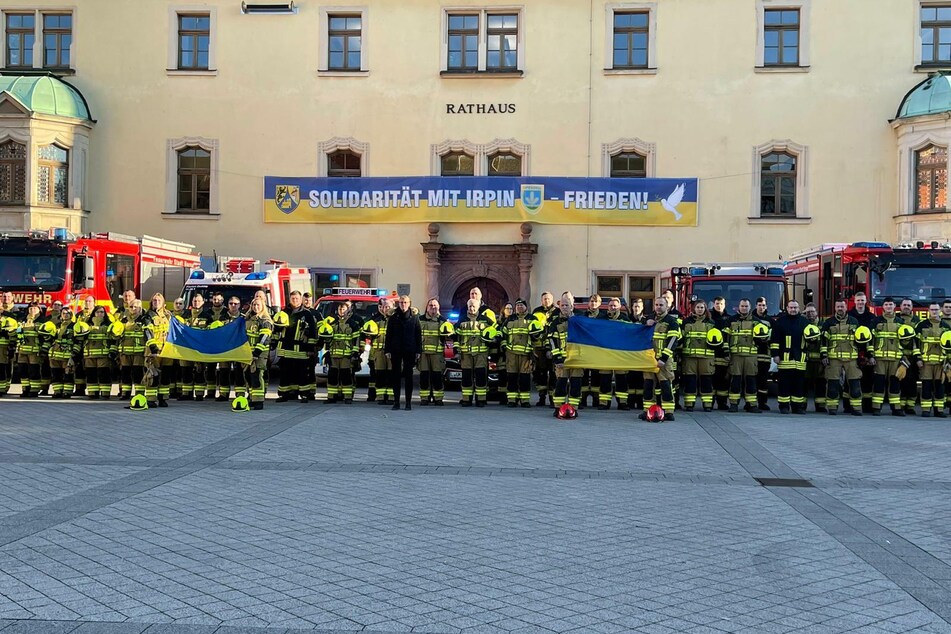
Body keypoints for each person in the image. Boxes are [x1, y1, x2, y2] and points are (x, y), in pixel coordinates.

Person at [639, 296, 680, 421]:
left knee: (666, 384)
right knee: (648, 385)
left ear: (667, 306)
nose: (658, 307)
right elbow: (638, 332)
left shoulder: (672, 321)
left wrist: (664, 358)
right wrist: (645, 324)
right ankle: (647, 410)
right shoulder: (649, 319)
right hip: (649, 359)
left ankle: (668, 412)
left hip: (664, 360)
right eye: (656, 304)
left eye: (661, 305)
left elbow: (673, 341)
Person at [820, 299, 862, 416]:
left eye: (842, 307)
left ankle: (856, 408)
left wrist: (861, 356)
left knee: (854, 384)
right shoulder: (828, 323)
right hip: (834, 359)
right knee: (833, 384)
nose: (840, 309)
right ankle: (832, 408)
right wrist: (824, 355)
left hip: (851, 359)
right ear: (835, 308)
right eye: (838, 307)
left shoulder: (854, 321)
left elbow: (859, 340)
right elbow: (823, 341)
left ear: (846, 307)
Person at [275, 290, 316, 402]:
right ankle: (285, 394)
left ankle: (304, 395)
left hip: (301, 349)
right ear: (289, 299)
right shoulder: (284, 312)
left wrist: (310, 349)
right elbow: (276, 329)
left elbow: (313, 332)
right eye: (293, 298)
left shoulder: (307, 314)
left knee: (302, 373)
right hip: (286, 349)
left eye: (297, 298)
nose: (295, 300)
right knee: (285, 373)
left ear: (301, 299)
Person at [770, 300, 810, 414]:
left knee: (799, 385)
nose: (793, 310)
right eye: (791, 307)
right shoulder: (780, 322)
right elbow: (775, 340)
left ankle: (797, 407)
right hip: (784, 359)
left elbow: (810, 340)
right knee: (784, 385)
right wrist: (775, 355)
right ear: (787, 308)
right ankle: (784, 406)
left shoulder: (805, 322)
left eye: (795, 307)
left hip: (800, 360)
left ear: (799, 308)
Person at [870, 297, 907, 417]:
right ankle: (876, 408)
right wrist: (871, 355)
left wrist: (903, 358)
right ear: (883, 306)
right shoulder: (876, 321)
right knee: (879, 383)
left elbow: (905, 341)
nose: (889, 307)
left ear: (894, 306)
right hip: (879, 359)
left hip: (895, 359)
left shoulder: (900, 322)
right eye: (886, 304)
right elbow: (870, 340)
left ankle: (896, 409)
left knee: (895, 383)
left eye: (891, 304)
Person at [385, 295, 422, 410]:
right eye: (401, 302)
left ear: (409, 303)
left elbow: (418, 335)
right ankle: (396, 402)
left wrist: (418, 350)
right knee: (395, 376)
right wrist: (387, 350)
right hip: (396, 350)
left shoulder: (415, 318)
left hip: (409, 349)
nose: (403, 304)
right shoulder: (393, 317)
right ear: (398, 304)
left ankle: (408, 402)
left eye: (405, 302)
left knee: (408, 376)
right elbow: (388, 335)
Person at [680, 299, 716, 412]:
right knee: (690, 381)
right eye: (698, 307)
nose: (700, 310)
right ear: (693, 309)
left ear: (705, 309)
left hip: (706, 358)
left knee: (706, 381)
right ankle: (689, 404)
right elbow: (681, 338)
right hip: (689, 357)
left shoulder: (711, 323)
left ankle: (707, 405)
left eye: (702, 307)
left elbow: (717, 340)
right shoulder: (686, 322)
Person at [549, 292, 582, 411]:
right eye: (562, 305)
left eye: (566, 305)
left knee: (576, 384)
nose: (564, 308)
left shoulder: (579, 321)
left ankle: (574, 408)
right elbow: (552, 341)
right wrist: (557, 358)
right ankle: (559, 408)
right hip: (562, 360)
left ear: (572, 307)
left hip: (577, 360)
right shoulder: (555, 323)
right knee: (560, 384)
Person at [455, 298, 491, 407]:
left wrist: (493, 342)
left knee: (481, 377)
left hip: (481, 354)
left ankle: (481, 400)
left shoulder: (485, 320)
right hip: (466, 354)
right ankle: (466, 399)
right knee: (466, 377)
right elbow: (456, 337)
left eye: (474, 306)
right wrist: (457, 351)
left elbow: (496, 331)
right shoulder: (462, 320)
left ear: (478, 307)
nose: (472, 308)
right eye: (470, 306)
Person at [322, 301, 360, 404]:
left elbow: (356, 339)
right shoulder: (332, 323)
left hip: (346, 356)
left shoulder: (353, 324)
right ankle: (331, 397)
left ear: (348, 310)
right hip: (333, 355)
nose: (341, 311)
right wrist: (327, 352)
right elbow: (327, 338)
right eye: (340, 309)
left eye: (343, 309)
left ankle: (348, 397)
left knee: (346, 376)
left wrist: (355, 353)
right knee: (332, 376)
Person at [725, 299, 759, 413]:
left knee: (751, 381)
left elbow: (763, 339)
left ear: (750, 307)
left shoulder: (757, 321)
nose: (744, 308)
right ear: (738, 307)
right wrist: (726, 353)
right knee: (735, 381)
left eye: (746, 306)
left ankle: (752, 405)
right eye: (742, 306)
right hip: (736, 356)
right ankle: (734, 404)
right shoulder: (731, 320)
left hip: (751, 356)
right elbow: (725, 338)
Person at [598, 297, 631, 410]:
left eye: (615, 306)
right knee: (605, 379)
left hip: (620, 354)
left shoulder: (625, 319)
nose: (612, 307)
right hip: (605, 354)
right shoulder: (602, 319)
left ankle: (622, 403)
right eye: (611, 305)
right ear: (608, 307)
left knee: (622, 379)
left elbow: (631, 334)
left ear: (619, 307)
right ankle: (604, 403)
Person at [915, 303, 947, 418]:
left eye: (936, 309)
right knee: (926, 386)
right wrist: (918, 358)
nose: (934, 311)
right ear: (928, 310)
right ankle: (926, 410)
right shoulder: (921, 325)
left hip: (941, 363)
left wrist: (948, 361)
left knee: (940, 387)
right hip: (925, 363)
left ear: (940, 310)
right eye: (932, 309)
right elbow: (916, 344)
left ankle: (939, 410)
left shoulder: (946, 326)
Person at [501, 298, 535, 408]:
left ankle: (525, 400)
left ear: (526, 307)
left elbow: (538, 335)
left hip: (526, 354)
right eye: (518, 305)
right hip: (511, 353)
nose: (519, 307)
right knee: (512, 376)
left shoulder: (532, 319)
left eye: (521, 305)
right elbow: (503, 333)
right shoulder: (510, 319)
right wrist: (504, 345)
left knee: (525, 378)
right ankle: (512, 400)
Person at [418, 298, 451, 406]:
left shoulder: (443, 321)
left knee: (437, 376)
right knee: (424, 376)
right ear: (427, 307)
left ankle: (438, 398)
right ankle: (424, 398)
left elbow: (450, 337)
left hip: (437, 354)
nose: (433, 308)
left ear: (439, 308)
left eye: (435, 306)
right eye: (431, 305)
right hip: (423, 354)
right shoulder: (419, 320)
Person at [143, 293, 174, 407]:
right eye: (154, 301)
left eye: (159, 301)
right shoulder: (148, 316)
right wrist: (153, 348)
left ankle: (163, 399)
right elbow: (148, 333)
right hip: (153, 351)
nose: (156, 303)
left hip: (166, 351)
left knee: (165, 375)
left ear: (163, 303)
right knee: (152, 375)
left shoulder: (168, 315)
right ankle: (151, 399)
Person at [848, 292, 876, 412]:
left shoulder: (871, 317)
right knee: (850, 380)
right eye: (858, 300)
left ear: (866, 302)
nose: (860, 303)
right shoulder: (849, 317)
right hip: (852, 352)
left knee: (867, 380)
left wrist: (870, 355)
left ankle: (867, 406)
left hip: (866, 352)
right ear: (855, 301)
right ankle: (848, 406)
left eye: (862, 300)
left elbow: (873, 338)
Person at [244, 297, 273, 410]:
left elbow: (264, 338)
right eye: (254, 305)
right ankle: (251, 397)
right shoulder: (248, 319)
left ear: (263, 307)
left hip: (259, 354)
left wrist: (257, 352)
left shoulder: (265, 320)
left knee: (257, 375)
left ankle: (258, 401)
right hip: (247, 353)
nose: (256, 307)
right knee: (248, 376)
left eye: (258, 305)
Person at [116, 299, 148, 400]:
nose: (133, 309)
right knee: (125, 372)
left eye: (136, 307)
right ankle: (126, 393)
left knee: (137, 373)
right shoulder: (124, 320)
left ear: (140, 308)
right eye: (131, 307)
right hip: (125, 352)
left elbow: (148, 335)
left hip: (139, 352)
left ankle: (139, 393)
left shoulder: (144, 319)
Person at [178, 294, 209, 401]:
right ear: (192, 302)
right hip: (186, 347)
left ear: (203, 302)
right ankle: (187, 393)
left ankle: (199, 394)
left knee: (199, 370)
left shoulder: (207, 316)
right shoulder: (185, 315)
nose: (196, 303)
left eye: (198, 301)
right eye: (194, 301)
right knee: (186, 370)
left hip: (199, 348)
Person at [80, 305, 113, 400]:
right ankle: (92, 393)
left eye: (102, 312)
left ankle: (105, 393)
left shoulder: (109, 324)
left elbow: (113, 339)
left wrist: (112, 351)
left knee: (104, 374)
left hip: (104, 354)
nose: (100, 314)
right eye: (98, 312)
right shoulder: (86, 325)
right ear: (94, 313)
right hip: (89, 354)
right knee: (91, 374)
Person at [531, 291, 557, 406]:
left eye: (548, 299)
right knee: (540, 373)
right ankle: (542, 397)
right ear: (541, 300)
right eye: (544, 299)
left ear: (552, 300)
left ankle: (552, 398)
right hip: (539, 347)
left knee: (553, 373)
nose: (546, 301)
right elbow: (531, 329)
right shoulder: (536, 312)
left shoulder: (557, 312)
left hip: (553, 347)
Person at [367, 297, 394, 404]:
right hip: (378, 352)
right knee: (380, 375)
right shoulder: (375, 320)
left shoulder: (396, 319)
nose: (385, 308)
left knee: (391, 375)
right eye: (383, 306)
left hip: (392, 353)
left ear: (392, 307)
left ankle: (391, 397)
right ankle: (381, 397)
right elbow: (368, 336)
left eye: (387, 306)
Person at [15, 302, 45, 398]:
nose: (32, 310)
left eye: (35, 308)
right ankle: (25, 389)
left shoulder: (42, 320)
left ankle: (34, 390)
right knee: (22, 370)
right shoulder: (23, 320)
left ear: (39, 310)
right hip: (22, 350)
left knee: (34, 371)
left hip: (35, 351)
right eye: (31, 308)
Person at [899, 298, 922, 414]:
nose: (906, 307)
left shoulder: (917, 321)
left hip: (912, 358)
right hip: (899, 357)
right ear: (901, 306)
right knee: (901, 381)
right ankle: (902, 405)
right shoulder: (897, 320)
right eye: (904, 305)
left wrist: (918, 357)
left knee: (912, 381)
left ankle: (911, 406)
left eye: (909, 305)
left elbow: (918, 340)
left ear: (912, 307)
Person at [47, 307, 75, 399]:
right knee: (55, 373)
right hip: (55, 354)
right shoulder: (57, 325)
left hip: (67, 354)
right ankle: (57, 391)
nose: (65, 315)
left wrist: (75, 352)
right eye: (64, 313)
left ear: (71, 315)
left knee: (68, 374)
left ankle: (67, 392)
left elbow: (77, 340)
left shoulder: (74, 326)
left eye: (67, 313)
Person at [802, 303, 826, 413]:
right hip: (806, 361)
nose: (810, 314)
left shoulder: (823, 325)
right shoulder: (802, 325)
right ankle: (802, 406)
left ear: (816, 312)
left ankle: (820, 406)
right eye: (807, 312)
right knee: (804, 385)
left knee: (821, 384)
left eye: (812, 311)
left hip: (819, 361)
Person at [580, 294, 602, 409]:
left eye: (596, 302)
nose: (593, 303)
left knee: (596, 376)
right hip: (585, 350)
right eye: (592, 301)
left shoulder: (603, 317)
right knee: (583, 376)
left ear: (599, 303)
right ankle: (582, 400)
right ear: (588, 303)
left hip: (597, 351)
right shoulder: (582, 316)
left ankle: (596, 400)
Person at [626, 297, 647, 410]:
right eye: (635, 306)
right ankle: (630, 402)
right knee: (630, 379)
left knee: (640, 380)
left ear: (642, 307)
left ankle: (639, 402)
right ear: (632, 308)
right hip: (629, 354)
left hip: (641, 354)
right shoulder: (627, 320)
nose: (637, 308)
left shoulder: (646, 321)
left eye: (639, 306)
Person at [753, 296, 773, 411]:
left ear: (766, 307)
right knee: (751, 380)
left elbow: (774, 337)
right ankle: (750, 403)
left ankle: (762, 402)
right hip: (752, 354)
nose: (761, 307)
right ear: (756, 306)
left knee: (763, 381)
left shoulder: (770, 321)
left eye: (763, 305)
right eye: (759, 305)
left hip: (765, 355)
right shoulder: (751, 319)